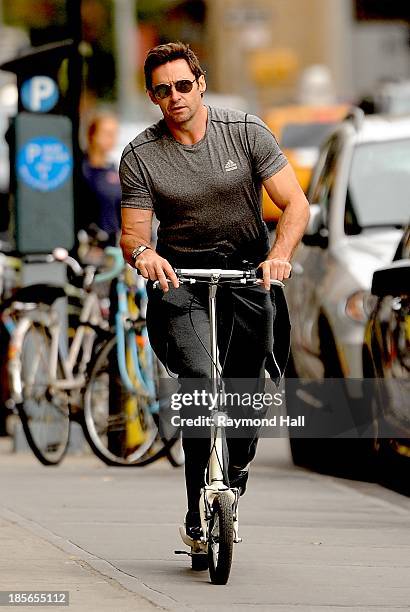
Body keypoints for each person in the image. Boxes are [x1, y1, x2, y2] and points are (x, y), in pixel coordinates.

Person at [120, 42, 310, 539]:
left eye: (184, 85)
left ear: (200, 83)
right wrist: (145, 256)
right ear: (153, 97)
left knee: (247, 388)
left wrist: (280, 256)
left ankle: (238, 470)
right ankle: (194, 510)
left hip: (249, 273)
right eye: (164, 90)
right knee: (201, 381)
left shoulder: (245, 132)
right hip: (180, 280)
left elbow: (295, 204)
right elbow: (133, 233)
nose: (176, 96)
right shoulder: (140, 154)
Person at [80, 112, 122, 246]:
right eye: (106, 133)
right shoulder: (82, 168)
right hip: (89, 243)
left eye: (114, 134)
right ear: (92, 135)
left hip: (113, 242)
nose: (112, 138)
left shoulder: (113, 169)